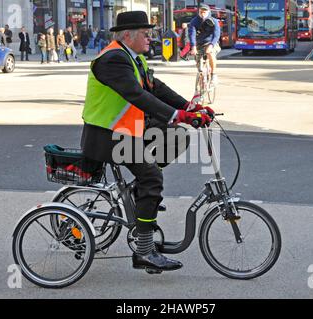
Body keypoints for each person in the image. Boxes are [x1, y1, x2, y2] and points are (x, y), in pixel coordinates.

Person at [80, 11, 213, 272]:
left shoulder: (132, 57)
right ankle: (144, 251)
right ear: (128, 36)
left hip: (127, 130)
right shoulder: (112, 60)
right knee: (152, 176)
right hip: (107, 135)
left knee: (176, 137)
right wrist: (177, 115)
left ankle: (143, 193)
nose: (151, 38)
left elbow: (156, 87)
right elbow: (137, 95)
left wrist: (190, 106)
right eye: (145, 33)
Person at [188, 4, 221, 85]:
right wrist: (193, 46)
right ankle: (202, 81)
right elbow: (192, 34)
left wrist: (211, 45)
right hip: (199, 44)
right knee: (199, 65)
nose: (202, 14)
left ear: (208, 12)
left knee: (209, 52)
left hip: (211, 43)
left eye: (204, 12)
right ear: (198, 12)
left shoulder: (214, 21)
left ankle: (213, 74)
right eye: (201, 12)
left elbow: (216, 35)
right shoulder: (194, 21)